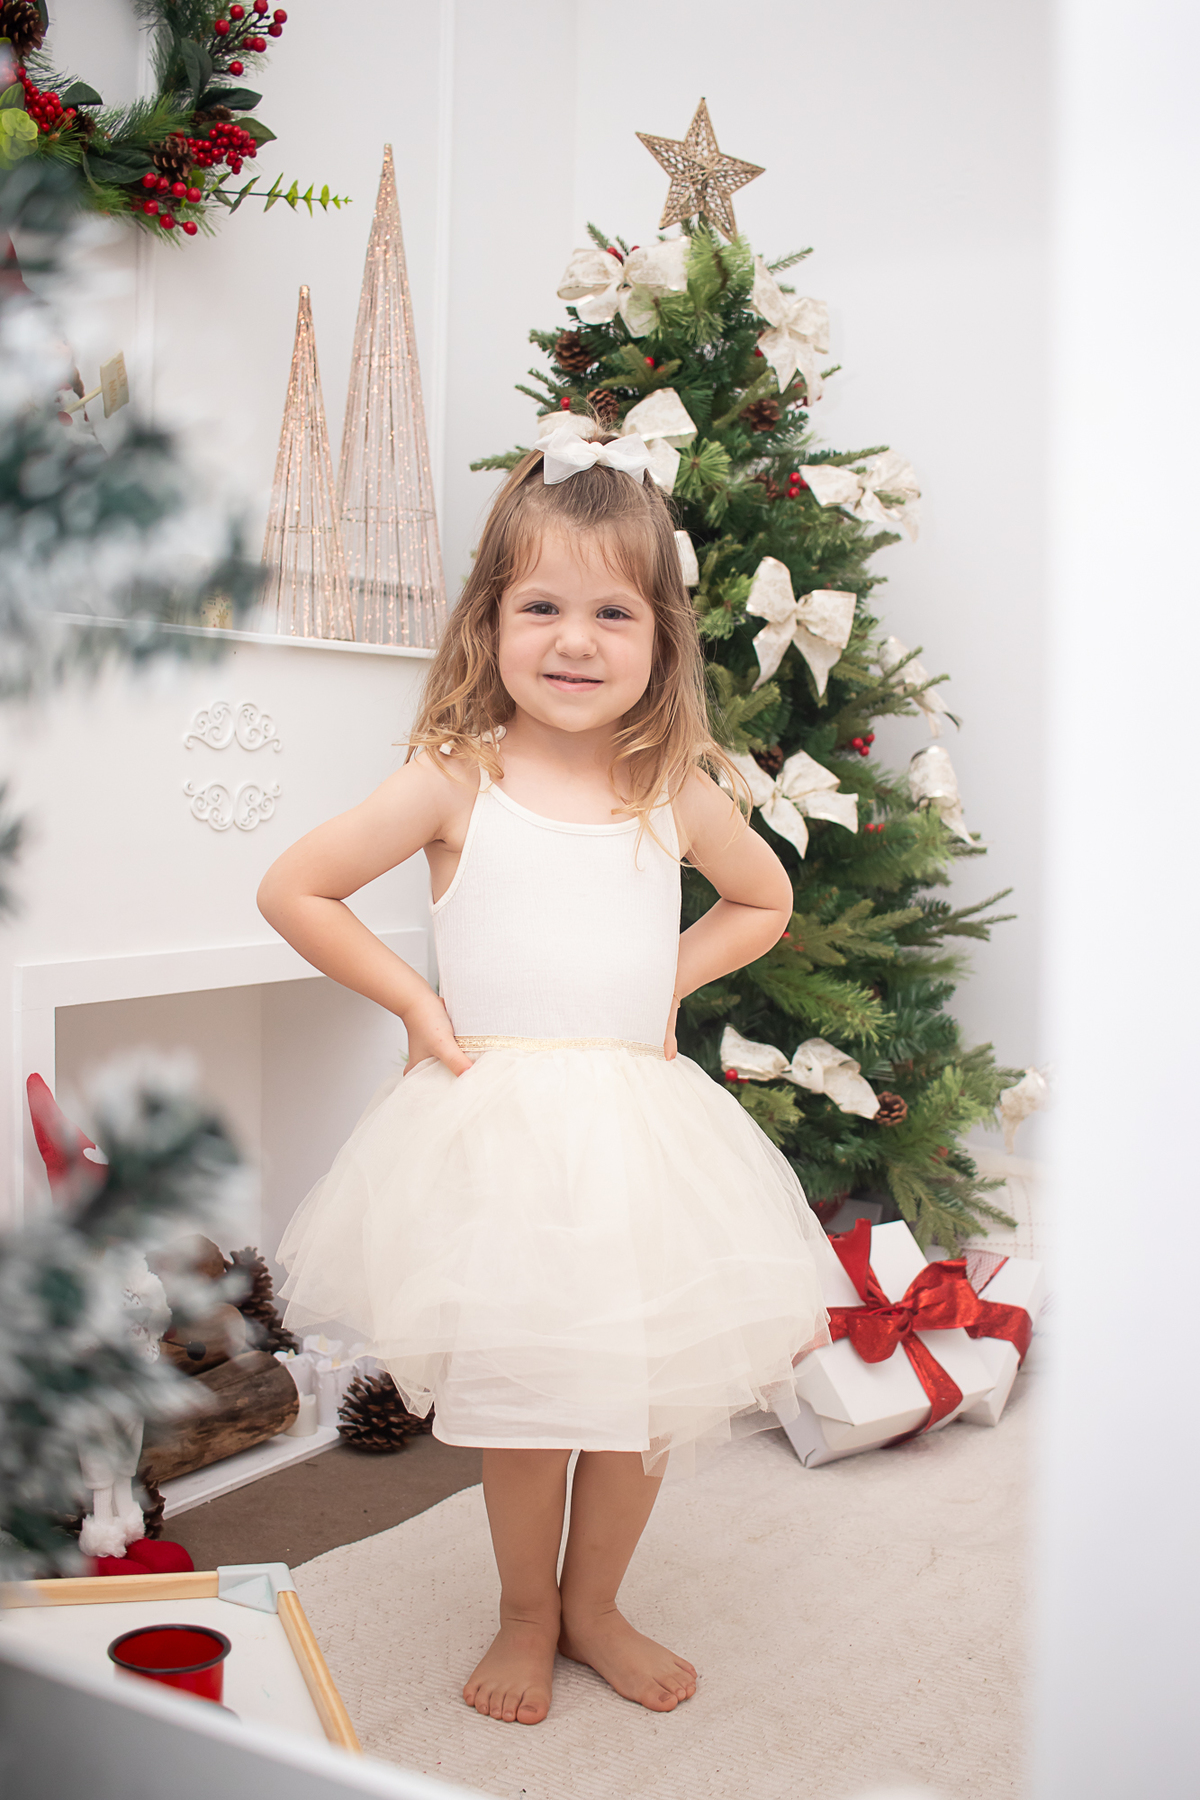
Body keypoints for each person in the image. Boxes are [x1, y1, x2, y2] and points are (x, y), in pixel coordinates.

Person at [258, 422, 837, 1728]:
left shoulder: (669, 788)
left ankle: (596, 1606)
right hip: (500, 1145)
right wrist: (417, 1003)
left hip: (640, 1144)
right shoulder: (456, 779)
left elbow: (763, 900)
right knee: (526, 1406)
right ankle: (527, 1610)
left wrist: (663, 986)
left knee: (637, 1405)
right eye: (542, 608)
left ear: (661, 640)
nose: (576, 641)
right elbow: (296, 887)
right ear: (490, 620)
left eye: (612, 612)